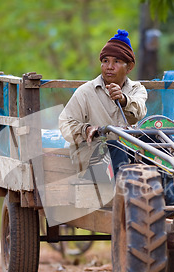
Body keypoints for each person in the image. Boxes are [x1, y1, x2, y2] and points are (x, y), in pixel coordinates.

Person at [58, 29, 147, 179]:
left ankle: (168, 194)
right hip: (92, 161)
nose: (109, 67)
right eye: (105, 61)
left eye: (116, 62)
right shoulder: (85, 92)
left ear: (129, 67)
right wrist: (86, 129)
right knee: (115, 146)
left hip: (125, 155)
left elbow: (138, 112)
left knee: (151, 143)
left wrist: (124, 100)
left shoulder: (136, 89)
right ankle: (126, 196)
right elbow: (65, 124)